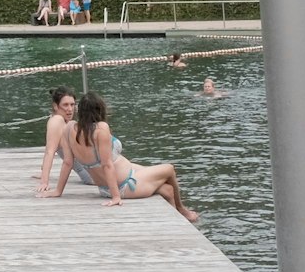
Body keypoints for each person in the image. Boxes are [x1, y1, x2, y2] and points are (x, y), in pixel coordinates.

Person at [51, 92, 197, 223]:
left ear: (80, 110)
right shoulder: (101, 128)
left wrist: (58, 191)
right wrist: (116, 197)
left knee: (167, 189)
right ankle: (182, 210)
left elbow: (67, 162)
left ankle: (176, 220)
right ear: (100, 110)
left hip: (105, 188)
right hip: (125, 186)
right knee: (169, 169)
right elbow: (107, 164)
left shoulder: (69, 127)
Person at [35, 87, 85, 195]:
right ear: (55, 106)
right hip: (90, 173)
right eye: (65, 105)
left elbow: (50, 147)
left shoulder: (65, 122)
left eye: (72, 104)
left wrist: (43, 170)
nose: (70, 109)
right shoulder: (57, 121)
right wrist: (44, 181)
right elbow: (50, 151)